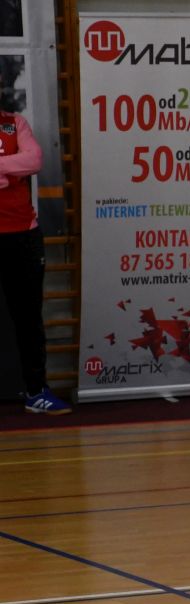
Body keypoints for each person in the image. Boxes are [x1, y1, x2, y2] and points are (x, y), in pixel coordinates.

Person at [0, 95, 69, 414]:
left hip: (23, 235)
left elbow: (35, 159)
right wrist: (12, 168)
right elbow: (22, 162)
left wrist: (2, 167)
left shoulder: (14, 123)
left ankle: (36, 391)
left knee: (28, 318)